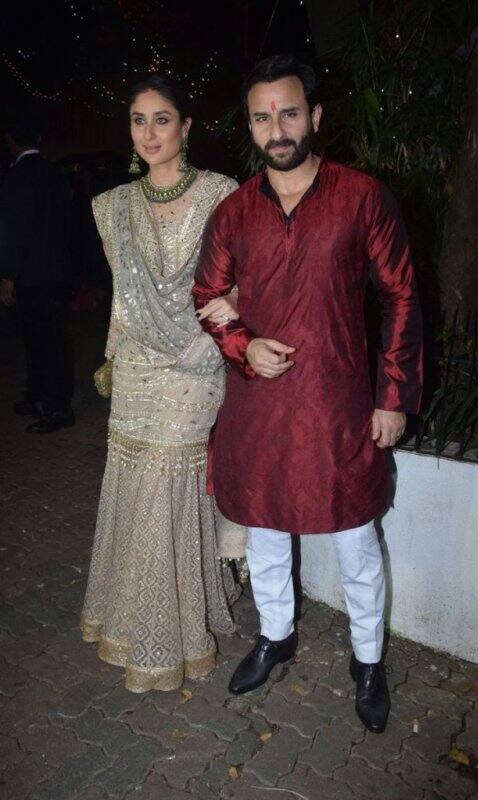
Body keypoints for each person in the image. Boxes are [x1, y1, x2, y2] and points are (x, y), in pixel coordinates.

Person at [193, 54, 423, 733]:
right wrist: (242, 343)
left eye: (289, 112)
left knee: (356, 539)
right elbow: (207, 294)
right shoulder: (234, 212)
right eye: (263, 116)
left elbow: (402, 294)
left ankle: (369, 659)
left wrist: (393, 395)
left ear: (314, 116)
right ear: (252, 127)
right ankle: (275, 636)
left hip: (339, 403)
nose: (277, 127)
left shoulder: (362, 196)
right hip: (261, 405)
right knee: (265, 531)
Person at [81, 75, 245, 693]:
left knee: (170, 484)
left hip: (197, 362)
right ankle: (134, 619)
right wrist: (116, 358)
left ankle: (171, 629)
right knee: (135, 480)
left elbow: (240, 281)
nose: (149, 133)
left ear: (187, 126)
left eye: (162, 119)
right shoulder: (111, 206)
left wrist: (218, 340)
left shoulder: (222, 196)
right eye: (139, 120)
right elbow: (123, 298)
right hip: (138, 371)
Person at [0, 114, 75, 433]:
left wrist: (8, 274)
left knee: (45, 341)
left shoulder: (18, 176)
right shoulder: (54, 173)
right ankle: (38, 396)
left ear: (10, 140)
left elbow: (13, 229)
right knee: (43, 339)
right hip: (56, 271)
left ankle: (57, 408)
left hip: (33, 275)